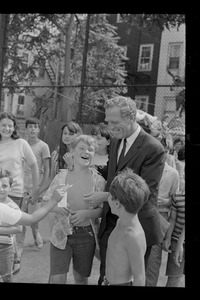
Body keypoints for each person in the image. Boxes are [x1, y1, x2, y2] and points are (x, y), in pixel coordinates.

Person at [83, 96, 166, 285]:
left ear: (131, 118)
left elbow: (143, 193)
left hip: (138, 226)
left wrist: (104, 196)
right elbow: (114, 174)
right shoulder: (116, 141)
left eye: (114, 122)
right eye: (107, 122)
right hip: (111, 224)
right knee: (107, 277)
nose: (109, 127)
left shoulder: (153, 149)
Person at [43, 135, 106, 285]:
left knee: (81, 278)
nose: (86, 152)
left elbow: (103, 210)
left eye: (90, 149)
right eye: (81, 148)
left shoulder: (98, 181)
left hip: (86, 236)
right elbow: (46, 202)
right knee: (57, 278)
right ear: (72, 151)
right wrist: (58, 208)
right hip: (60, 235)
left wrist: (87, 213)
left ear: (94, 154)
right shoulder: (61, 177)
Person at [0, 112, 39, 274]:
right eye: (3, 125)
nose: (7, 128)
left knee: (14, 227)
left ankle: (15, 257)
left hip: (15, 193)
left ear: (14, 127)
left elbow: (34, 165)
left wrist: (35, 189)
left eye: (10, 125)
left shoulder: (21, 143)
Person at [104, 168, 149, 286]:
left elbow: (140, 278)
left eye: (109, 195)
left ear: (117, 203)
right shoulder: (120, 222)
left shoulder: (132, 235)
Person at [145, 134, 179, 286]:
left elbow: (176, 202)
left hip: (161, 217)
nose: (160, 154)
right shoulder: (145, 167)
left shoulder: (173, 174)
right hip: (143, 214)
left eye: (164, 151)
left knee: (153, 261)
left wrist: (167, 201)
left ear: (168, 151)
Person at [22, 117, 51, 249]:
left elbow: (47, 170)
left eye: (35, 127)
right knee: (19, 216)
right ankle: (19, 244)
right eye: (30, 127)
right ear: (26, 129)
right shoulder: (22, 144)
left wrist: (40, 189)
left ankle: (36, 235)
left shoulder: (43, 146)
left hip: (36, 186)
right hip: (21, 186)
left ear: (39, 129)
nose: (33, 129)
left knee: (34, 218)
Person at [162, 149, 185, 287]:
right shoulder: (178, 196)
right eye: (182, 175)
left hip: (180, 242)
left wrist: (180, 245)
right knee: (174, 279)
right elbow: (173, 219)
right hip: (176, 241)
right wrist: (169, 238)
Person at [0, 169, 22, 282]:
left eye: (5, 186)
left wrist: (16, 257)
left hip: (5, 248)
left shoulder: (13, 207)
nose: (1, 189)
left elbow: (18, 229)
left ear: (10, 188)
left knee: (6, 277)